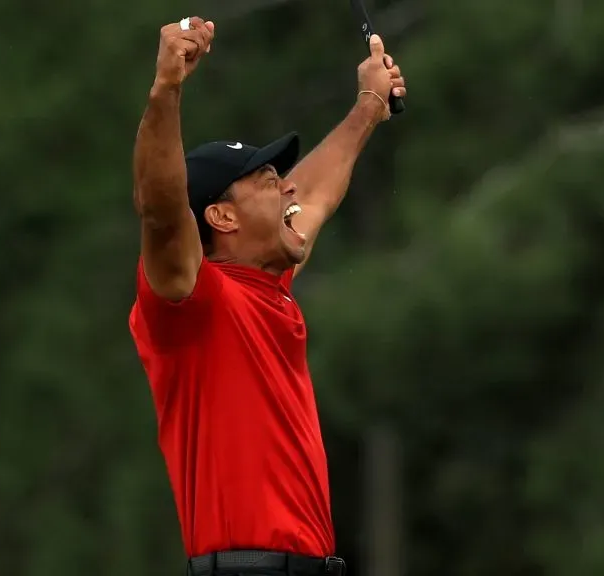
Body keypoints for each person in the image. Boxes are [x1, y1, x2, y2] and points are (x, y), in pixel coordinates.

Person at [127, 15, 406, 576]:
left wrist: (368, 106)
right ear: (221, 216)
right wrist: (166, 91)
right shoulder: (194, 302)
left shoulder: (268, 286)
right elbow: (160, 209)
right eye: (266, 180)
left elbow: (319, 192)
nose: (288, 187)